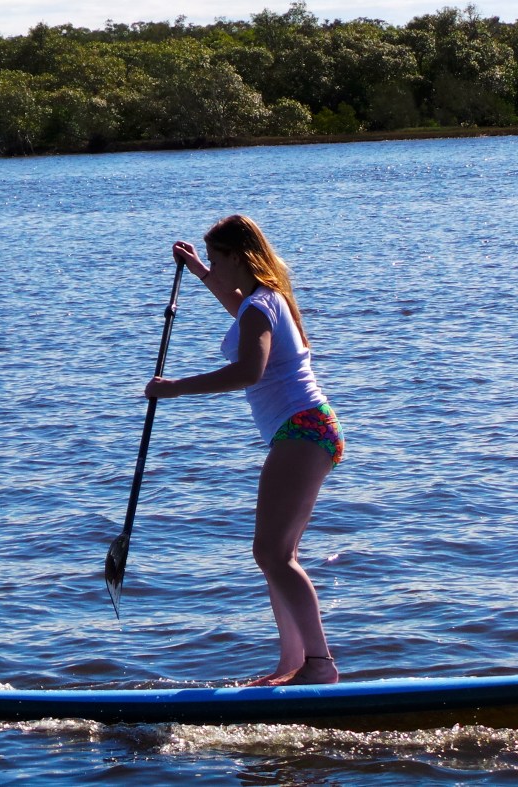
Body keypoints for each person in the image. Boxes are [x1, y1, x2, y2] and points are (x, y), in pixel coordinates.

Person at [144, 214, 345, 686]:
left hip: (303, 430)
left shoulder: (261, 306)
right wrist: (198, 269)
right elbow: (234, 303)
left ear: (238, 257)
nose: (215, 268)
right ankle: (292, 664)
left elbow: (249, 371)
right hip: (307, 430)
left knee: (272, 553)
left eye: (218, 260)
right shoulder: (263, 299)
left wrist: (174, 388)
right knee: (276, 554)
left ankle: (319, 664)